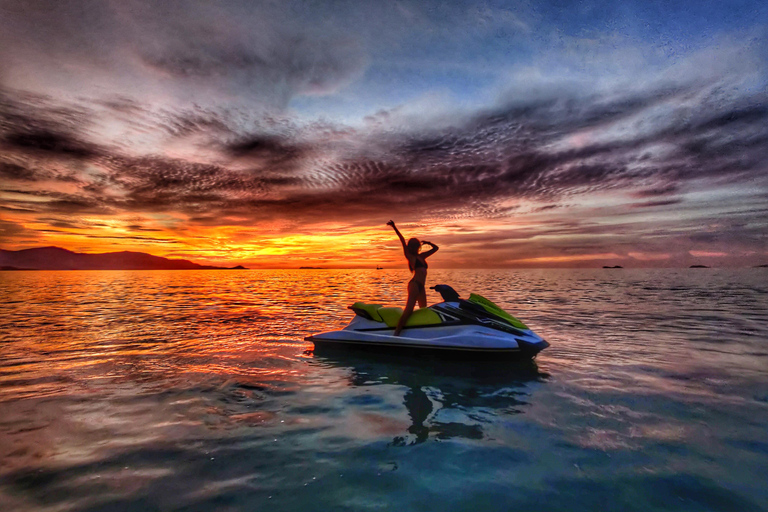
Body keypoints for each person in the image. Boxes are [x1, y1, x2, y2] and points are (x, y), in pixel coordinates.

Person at [387, 220, 439, 336]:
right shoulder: (410, 257)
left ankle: (421, 332)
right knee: (409, 310)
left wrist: (428, 242)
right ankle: (396, 334)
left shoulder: (421, 256)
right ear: (411, 247)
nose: (416, 248)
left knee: (423, 310)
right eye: (414, 246)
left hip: (421, 287)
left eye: (417, 246)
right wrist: (394, 227)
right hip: (414, 285)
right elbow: (402, 240)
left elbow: (436, 249)